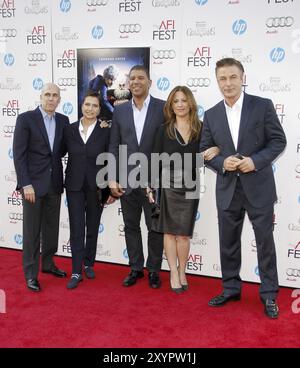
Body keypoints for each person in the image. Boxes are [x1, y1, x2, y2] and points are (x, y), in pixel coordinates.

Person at [199, 58, 286, 318]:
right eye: (223, 78)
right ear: (217, 81)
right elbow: (204, 149)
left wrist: (255, 161)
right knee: (228, 243)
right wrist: (220, 161)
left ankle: (269, 294)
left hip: (258, 187)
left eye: (232, 77)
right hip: (227, 189)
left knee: (265, 243)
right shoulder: (212, 113)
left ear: (242, 77)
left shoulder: (262, 106)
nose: (228, 83)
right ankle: (230, 288)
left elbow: (278, 140)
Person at [147, 86, 219, 293]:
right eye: (176, 101)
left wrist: (217, 148)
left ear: (190, 104)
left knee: (184, 235)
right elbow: (154, 159)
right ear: (171, 105)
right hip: (167, 184)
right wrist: (149, 186)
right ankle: (172, 272)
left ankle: (183, 270)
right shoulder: (163, 129)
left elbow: (213, 149)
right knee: (169, 233)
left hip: (191, 184)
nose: (180, 104)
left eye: (183, 100)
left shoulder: (201, 128)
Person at [108, 65, 165, 289]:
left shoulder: (163, 107)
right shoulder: (120, 111)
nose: (136, 82)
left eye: (141, 78)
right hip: (127, 181)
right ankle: (135, 268)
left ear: (149, 82)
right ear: (128, 83)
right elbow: (113, 146)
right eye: (132, 78)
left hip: (154, 181)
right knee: (131, 226)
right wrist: (112, 178)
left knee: (155, 228)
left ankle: (153, 270)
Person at [13, 83, 69, 292]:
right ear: (40, 96)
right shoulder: (26, 119)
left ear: (59, 99)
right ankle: (30, 273)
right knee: (31, 232)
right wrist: (25, 183)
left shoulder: (63, 121)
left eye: (55, 95)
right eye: (47, 94)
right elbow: (19, 155)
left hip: (54, 184)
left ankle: (47, 264)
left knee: (51, 229)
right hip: (32, 187)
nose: (51, 98)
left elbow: (64, 148)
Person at [63, 91, 114, 289]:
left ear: (99, 110)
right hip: (74, 185)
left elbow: (111, 159)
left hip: (97, 186)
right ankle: (76, 270)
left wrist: (109, 189)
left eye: (94, 106)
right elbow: (59, 152)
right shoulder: (69, 130)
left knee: (92, 226)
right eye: (87, 105)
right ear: (81, 106)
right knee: (77, 228)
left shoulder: (105, 130)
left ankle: (89, 263)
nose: (90, 109)